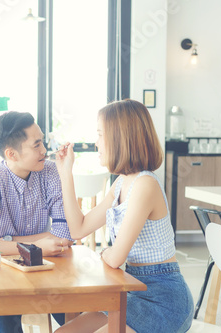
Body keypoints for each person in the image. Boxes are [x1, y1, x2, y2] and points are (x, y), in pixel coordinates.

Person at [53, 99, 194, 333]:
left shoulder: (145, 184)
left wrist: (107, 253)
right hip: (132, 290)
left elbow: (116, 257)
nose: (96, 143)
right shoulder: (120, 183)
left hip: (164, 299)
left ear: (120, 138)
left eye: (100, 135)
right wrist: (65, 173)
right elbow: (78, 229)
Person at [0, 111, 73, 333]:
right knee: (5, 327)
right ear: (11, 154)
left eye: (43, 142)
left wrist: (8, 241)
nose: (44, 150)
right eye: (36, 145)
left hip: (43, 272)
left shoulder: (50, 172)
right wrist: (36, 246)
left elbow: (64, 236)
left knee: (78, 315)